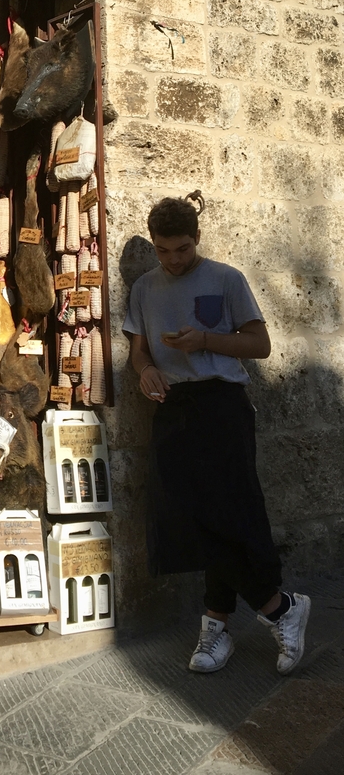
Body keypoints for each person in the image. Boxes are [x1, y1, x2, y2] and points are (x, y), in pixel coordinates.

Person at [123, 192, 310, 674]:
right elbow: (138, 352)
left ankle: (221, 625)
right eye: (163, 250)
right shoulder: (144, 287)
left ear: (197, 238)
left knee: (229, 515)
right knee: (188, 519)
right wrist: (145, 371)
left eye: (182, 249)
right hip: (172, 407)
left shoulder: (226, 279)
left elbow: (260, 345)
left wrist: (205, 340)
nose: (173, 260)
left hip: (222, 404)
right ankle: (278, 609)